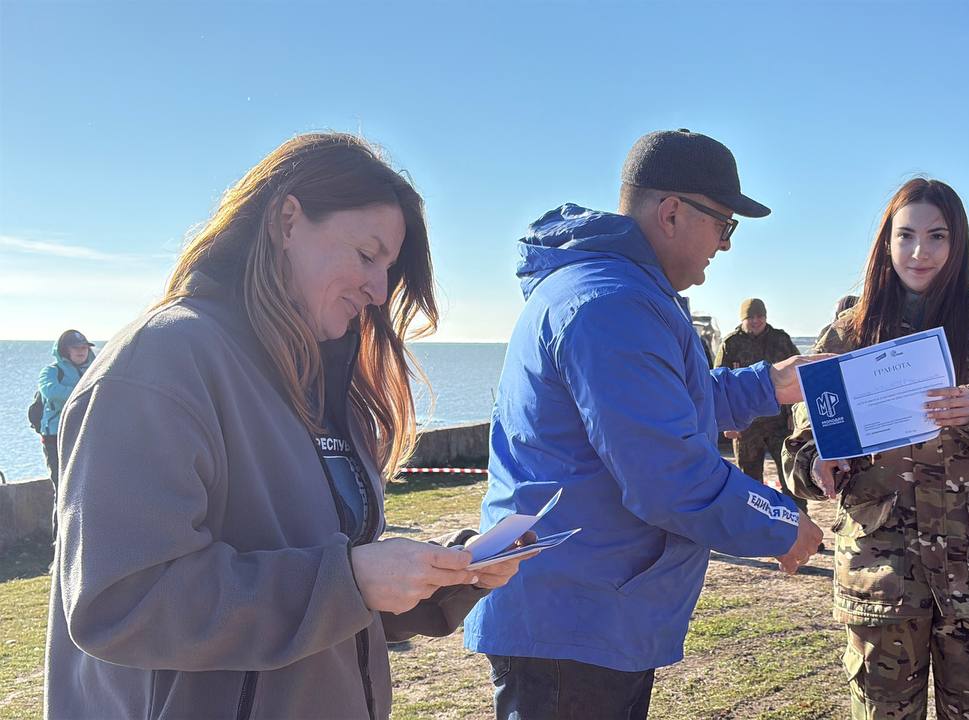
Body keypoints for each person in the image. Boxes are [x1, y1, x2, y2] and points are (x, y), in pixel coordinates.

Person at [45, 133, 534, 719]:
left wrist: (452, 574)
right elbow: (122, 603)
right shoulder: (159, 364)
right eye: (366, 255)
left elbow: (331, 590)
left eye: (389, 268)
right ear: (286, 220)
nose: (379, 291)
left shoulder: (321, 378)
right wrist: (348, 580)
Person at [464, 128, 824, 718]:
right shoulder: (613, 305)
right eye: (724, 224)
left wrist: (770, 384)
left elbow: (666, 400)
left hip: (590, 607)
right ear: (673, 213)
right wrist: (782, 521)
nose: (726, 245)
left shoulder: (613, 290)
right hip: (576, 620)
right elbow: (669, 476)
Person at [782, 178, 969, 720]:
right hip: (882, 577)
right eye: (907, 236)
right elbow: (800, 450)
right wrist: (817, 464)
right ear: (886, 243)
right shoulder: (849, 336)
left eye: (937, 236)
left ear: (958, 243)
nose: (920, 252)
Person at [717, 297, 803, 509]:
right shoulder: (731, 344)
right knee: (749, 482)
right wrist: (728, 424)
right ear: (742, 319)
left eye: (760, 316)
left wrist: (797, 416)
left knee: (791, 477)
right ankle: (757, 537)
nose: (756, 321)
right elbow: (720, 383)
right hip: (746, 425)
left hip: (779, 423)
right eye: (750, 317)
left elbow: (800, 375)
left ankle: (800, 528)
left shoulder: (780, 339)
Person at [35, 329, 96, 484]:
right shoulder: (51, 371)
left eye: (84, 347)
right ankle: (59, 509)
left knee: (86, 483)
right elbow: (51, 391)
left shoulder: (94, 371)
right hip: (55, 435)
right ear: (65, 350)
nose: (81, 351)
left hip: (84, 432)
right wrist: (86, 394)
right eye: (76, 348)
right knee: (62, 484)